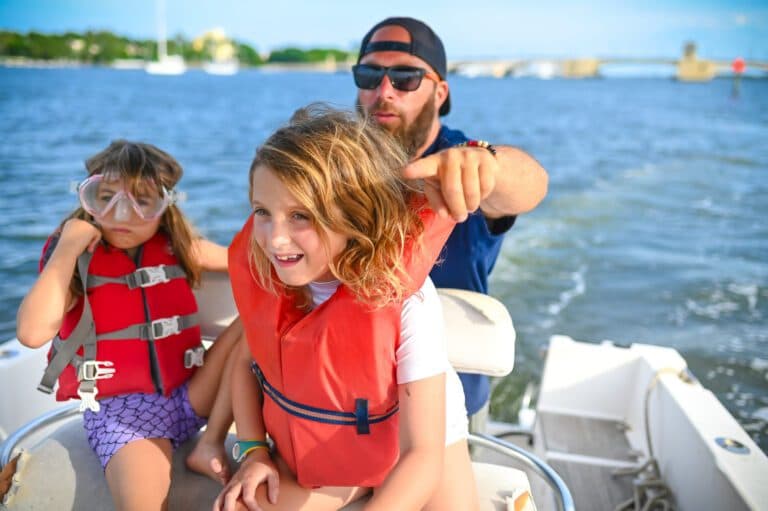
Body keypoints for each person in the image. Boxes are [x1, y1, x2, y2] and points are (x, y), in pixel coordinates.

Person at [213, 105, 478, 511]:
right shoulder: (269, 279)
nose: (275, 239)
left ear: (354, 217)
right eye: (263, 213)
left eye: (300, 216)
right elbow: (247, 367)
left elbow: (423, 458)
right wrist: (254, 453)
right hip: (324, 444)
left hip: (414, 443)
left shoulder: (406, 298)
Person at [16, 140, 241, 511]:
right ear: (86, 201)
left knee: (256, 322)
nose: (122, 214)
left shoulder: (177, 245)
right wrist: (67, 249)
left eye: (142, 201)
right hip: (124, 414)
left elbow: (243, 261)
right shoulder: (79, 261)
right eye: (104, 197)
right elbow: (30, 333)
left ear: (165, 205)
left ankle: (210, 442)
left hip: (193, 395)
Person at [353, 17, 549, 429]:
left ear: (440, 92)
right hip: (349, 397)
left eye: (405, 77)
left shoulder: (462, 164)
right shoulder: (340, 164)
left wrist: (487, 165)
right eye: (369, 75)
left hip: (449, 405)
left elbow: (529, 184)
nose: (384, 91)